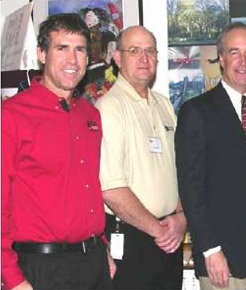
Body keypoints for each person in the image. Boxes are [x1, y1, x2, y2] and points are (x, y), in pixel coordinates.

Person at [1, 13, 114, 290]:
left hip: (94, 263)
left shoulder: (90, 114)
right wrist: (12, 278)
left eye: (79, 50)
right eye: (61, 48)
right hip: (41, 269)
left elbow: (88, 189)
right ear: (41, 54)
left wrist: (103, 248)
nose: (72, 60)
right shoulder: (12, 116)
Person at [175, 22, 246, 290]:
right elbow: (191, 189)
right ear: (221, 58)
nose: (243, 61)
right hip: (222, 254)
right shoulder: (196, 112)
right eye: (234, 52)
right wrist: (210, 249)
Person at [95, 26, 187, 289]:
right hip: (131, 238)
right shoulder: (109, 108)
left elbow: (180, 170)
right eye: (134, 51)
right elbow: (111, 190)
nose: (144, 58)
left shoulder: (164, 105)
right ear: (117, 58)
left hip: (170, 235)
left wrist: (181, 218)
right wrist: (160, 232)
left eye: (150, 51)